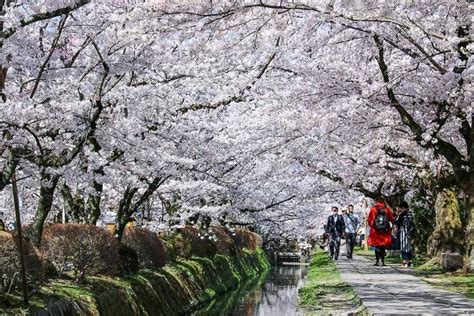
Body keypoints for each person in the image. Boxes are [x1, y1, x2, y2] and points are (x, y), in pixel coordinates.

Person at [367, 197, 395, 266]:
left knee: (377, 246)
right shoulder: (386, 209)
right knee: (382, 246)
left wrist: (373, 227)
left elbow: (370, 220)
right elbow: (391, 219)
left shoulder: (373, 209)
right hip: (384, 231)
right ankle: (382, 261)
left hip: (375, 231)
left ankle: (377, 261)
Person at [394, 201, 415, 267]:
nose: (399, 209)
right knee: (409, 247)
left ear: (402, 207)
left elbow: (397, 223)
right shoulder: (411, 213)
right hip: (410, 232)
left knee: (404, 247)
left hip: (404, 232)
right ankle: (409, 262)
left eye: (400, 208)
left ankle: (404, 262)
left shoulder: (402, 214)